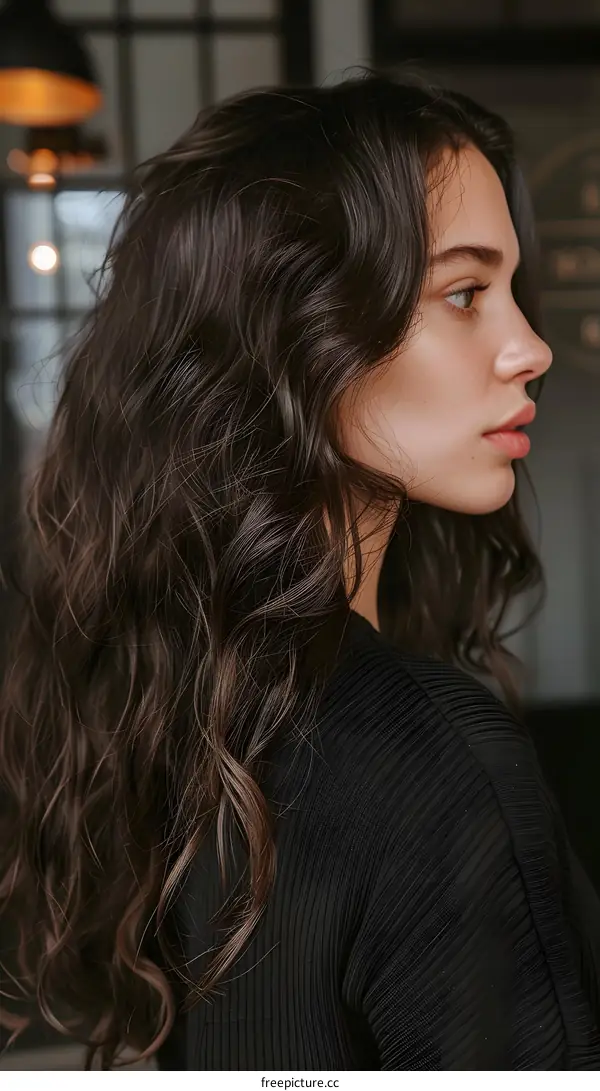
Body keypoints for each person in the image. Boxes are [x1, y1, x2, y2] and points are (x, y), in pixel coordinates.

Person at [1, 70, 599, 1072]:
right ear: (297, 332)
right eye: (464, 293)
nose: (530, 347)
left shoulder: (171, 704)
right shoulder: (436, 755)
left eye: (509, 290)